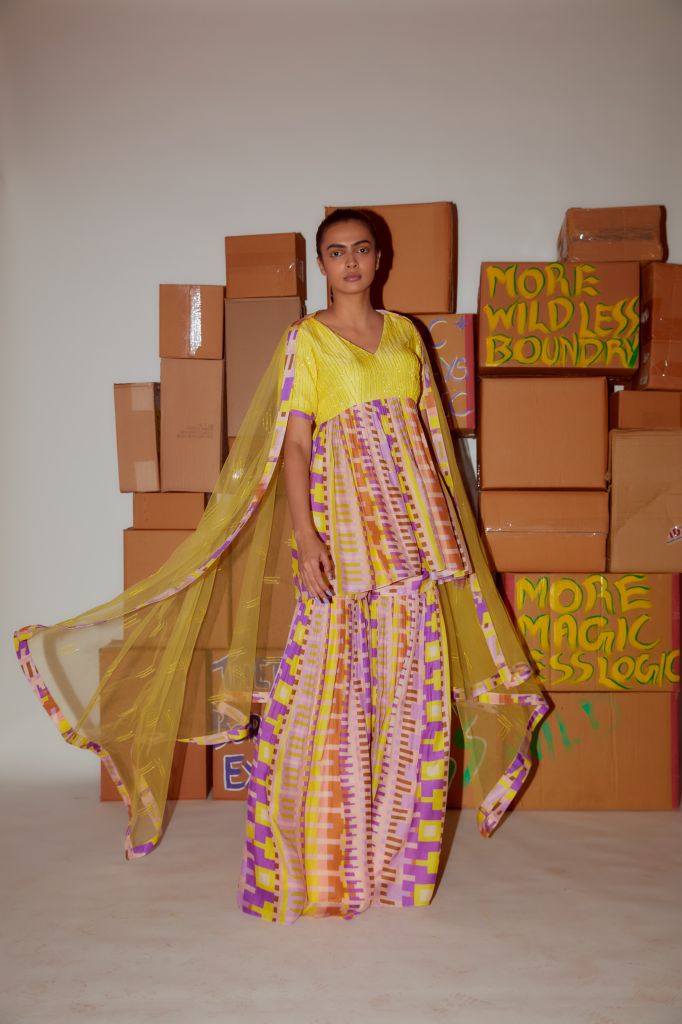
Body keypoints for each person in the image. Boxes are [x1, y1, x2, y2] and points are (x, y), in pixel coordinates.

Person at [13, 208, 549, 926]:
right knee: (327, 689)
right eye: (337, 251)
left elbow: (428, 436)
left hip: (415, 534)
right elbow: (295, 445)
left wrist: (446, 532)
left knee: (412, 694)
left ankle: (400, 869)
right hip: (345, 532)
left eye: (362, 249)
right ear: (322, 265)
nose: (351, 262)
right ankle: (321, 863)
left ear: (380, 259)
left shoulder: (406, 335)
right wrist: (308, 535)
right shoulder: (308, 339)